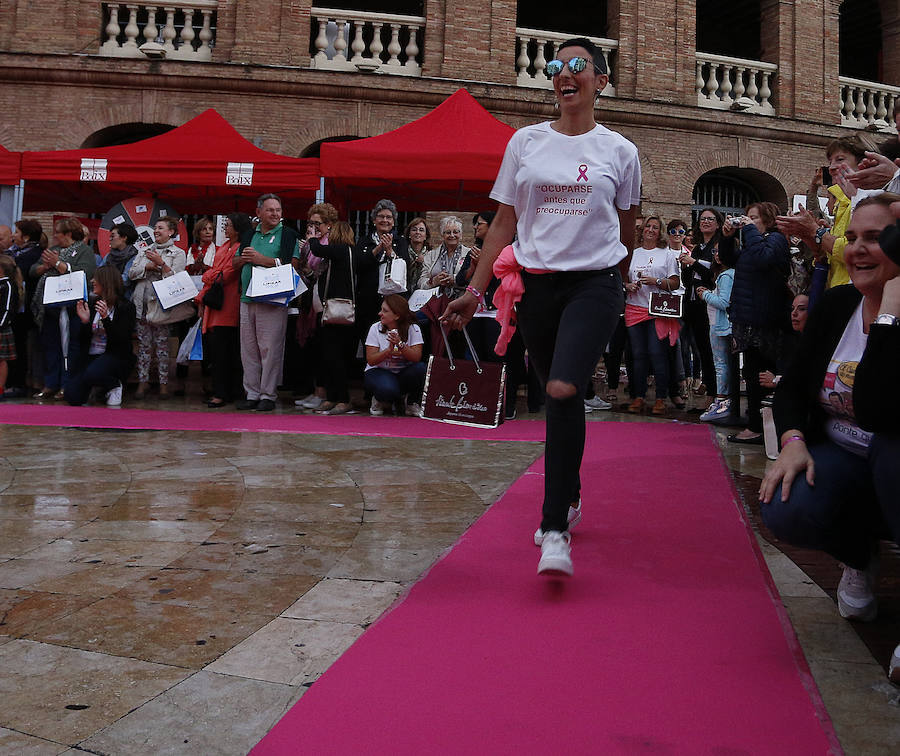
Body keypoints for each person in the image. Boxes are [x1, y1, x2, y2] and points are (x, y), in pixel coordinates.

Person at [442, 37, 641, 577]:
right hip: (536, 288)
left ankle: (554, 527)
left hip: (594, 285)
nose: (565, 74)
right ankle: (571, 493)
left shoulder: (620, 151)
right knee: (558, 396)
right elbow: (503, 222)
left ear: (601, 80)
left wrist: (616, 289)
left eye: (579, 66)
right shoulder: (524, 143)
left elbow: (625, 226)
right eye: (557, 66)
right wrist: (475, 290)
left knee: (560, 387)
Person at [758, 194, 900, 684]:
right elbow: (794, 386)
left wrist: (889, 315)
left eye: (876, 239)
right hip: (843, 458)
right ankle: (858, 556)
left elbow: (881, 409)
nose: (857, 250)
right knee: (787, 503)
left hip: (896, 462)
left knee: (892, 450)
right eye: (853, 238)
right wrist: (794, 439)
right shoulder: (838, 303)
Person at [718, 202, 792, 444]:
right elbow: (730, 259)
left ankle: (761, 426)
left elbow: (763, 259)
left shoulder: (776, 239)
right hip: (748, 319)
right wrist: (728, 237)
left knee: (762, 373)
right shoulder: (754, 242)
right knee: (751, 373)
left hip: (766, 320)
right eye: (746, 217)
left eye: (753, 218)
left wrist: (748, 231)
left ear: (768, 220)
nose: (747, 221)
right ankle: (756, 424)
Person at [233, 193, 299, 411]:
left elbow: (294, 264)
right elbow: (235, 263)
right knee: (248, 349)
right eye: (270, 210)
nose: (275, 214)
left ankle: (268, 395)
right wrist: (243, 259)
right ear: (258, 212)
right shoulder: (249, 234)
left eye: (278, 210)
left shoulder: (288, 234)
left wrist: (264, 261)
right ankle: (251, 393)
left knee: (270, 348)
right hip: (247, 298)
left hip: (272, 299)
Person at [30, 217, 97, 400]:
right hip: (50, 306)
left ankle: (67, 385)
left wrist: (59, 264)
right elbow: (33, 270)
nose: (55, 235)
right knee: (51, 345)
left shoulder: (84, 251)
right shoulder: (53, 250)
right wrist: (45, 267)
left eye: (58, 232)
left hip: (71, 307)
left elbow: (86, 273)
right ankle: (51, 384)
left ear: (68, 234)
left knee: (70, 346)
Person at [624, 215, 680, 415]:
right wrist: (628, 285)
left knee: (657, 354)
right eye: (648, 226)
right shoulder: (633, 253)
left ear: (660, 232)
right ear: (642, 230)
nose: (650, 229)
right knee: (638, 355)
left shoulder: (667, 255)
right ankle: (638, 396)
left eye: (655, 227)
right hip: (634, 307)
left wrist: (656, 281)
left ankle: (660, 398)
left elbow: (675, 283)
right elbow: (623, 278)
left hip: (657, 309)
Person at [128, 216, 188, 399]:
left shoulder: (178, 253)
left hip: (162, 307)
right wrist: (147, 266)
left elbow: (177, 279)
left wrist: (161, 265)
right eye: (155, 228)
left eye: (160, 228)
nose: (156, 231)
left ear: (170, 232)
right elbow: (131, 273)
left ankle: (163, 384)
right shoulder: (144, 251)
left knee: (162, 347)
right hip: (142, 306)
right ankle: (142, 383)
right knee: (144, 347)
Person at [197, 212, 249, 408]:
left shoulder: (238, 248)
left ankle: (223, 392)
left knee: (227, 353)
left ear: (237, 229)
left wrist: (208, 275)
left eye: (228, 225)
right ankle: (224, 391)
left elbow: (225, 274)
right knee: (219, 353)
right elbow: (218, 273)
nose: (225, 228)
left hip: (229, 306)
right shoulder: (225, 247)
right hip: (217, 304)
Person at [64, 266, 136, 406]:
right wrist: (85, 322)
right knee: (72, 396)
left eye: (95, 278)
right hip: (92, 355)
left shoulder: (126, 307)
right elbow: (82, 340)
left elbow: (121, 341)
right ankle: (97, 390)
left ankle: (114, 384)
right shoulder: (92, 304)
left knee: (94, 373)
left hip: (116, 356)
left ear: (106, 282)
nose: (92, 281)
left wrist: (106, 319)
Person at [306, 220, 358, 415]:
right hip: (340, 311)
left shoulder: (341, 250)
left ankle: (342, 398)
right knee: (330, 356)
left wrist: (312, 238)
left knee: (335, 357)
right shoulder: (349, 252)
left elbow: (318, 249)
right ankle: (332, 397)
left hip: (337, 311)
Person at [293, 203, 338, 411]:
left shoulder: (329, 244)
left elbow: (322, 272)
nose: (314, 226)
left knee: (323, 350)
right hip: (309, 303)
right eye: (311, 223)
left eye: (318, 223)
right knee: (313, 349)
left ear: (329, 225)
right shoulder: (311, 244)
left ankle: (322, 393)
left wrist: (308, 271)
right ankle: (315, 391)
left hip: (325, 303)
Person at [355, 199, 410, 349]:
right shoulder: (364, 241)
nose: (385, 220)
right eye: (381, 216)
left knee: (390, 344)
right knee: (370, 344)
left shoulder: (401, 242)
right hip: (368, 302)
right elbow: (358, 265)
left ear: (393, 221)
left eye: (389, 217)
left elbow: (404, 266)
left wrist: (390, 251)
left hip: (392, 303)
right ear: (374, 220)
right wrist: (379, 248)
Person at [681, 208, 722, 396]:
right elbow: (689, 278)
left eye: (710, 219)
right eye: (703, 219)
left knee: (709, 348)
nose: (705, 222)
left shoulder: (719, 246)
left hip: (710, 302)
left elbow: (713, 273)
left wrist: (693, 263)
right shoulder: (698, 248)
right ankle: (707, 383)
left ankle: (714, 388)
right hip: (693, 302)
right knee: (699, 346)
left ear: (718, 223)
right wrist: (685, 265)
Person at [364, 293, 426, 416]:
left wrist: (400, 344)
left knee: (421, 368)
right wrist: (388, 351)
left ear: (397, 315)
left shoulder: (413, 329)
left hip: (403, 373)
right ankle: (379, 398)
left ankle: (411, 402)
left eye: (385, 311)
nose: (380, 314)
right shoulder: (375, 328)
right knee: (387, 389)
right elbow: (371, 360)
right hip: (379, 370)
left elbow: (416, 357)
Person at [696, 250, 735, 422]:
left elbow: (724, 302)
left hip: (720, 326)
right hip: (718, 324)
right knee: (722, 363)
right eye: (715, 251)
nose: (717, 254)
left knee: (721, 364)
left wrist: (705, 295)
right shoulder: (726, 274)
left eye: (721, 250)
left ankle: (721, 401)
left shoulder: (727, 275)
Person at [6, 219, 44, 397]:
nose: (13, 236)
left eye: (16, 232)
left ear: (26, 236)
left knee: (19, 347)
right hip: (16, 307)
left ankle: (18, 383)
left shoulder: (34, 255)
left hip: (24, 309)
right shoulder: (15, 253)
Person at [758, 293, 809, 389]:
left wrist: (776, 381)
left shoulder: (817, 344)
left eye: (801, 309)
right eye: (792, 308)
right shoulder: (788, 342)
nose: (794, 313)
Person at [0, 254, 22, 400]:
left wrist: (0, 325)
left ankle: (0, 388)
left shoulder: (7, 285)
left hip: (1, 328)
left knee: (1, 360)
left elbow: (7, 308)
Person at [404, 216, 431, 293]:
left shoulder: (431, 255)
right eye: (414, 230)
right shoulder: (402, 252)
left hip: (423, 294)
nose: (417, 232)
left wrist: (424, 262)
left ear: (426, 236)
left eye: (421, 230)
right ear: (409, 234)